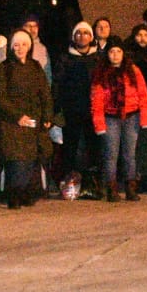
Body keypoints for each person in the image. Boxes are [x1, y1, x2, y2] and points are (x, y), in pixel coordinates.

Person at [0, 29, 53, 208]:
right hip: (12, 121)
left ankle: (27, 192)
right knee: (16, 159)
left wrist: (48, 115)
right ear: (11, 47)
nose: (20, 48)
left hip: (34, 119)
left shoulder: (35, 66)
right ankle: (14, 193)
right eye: (16, 45)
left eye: (24, 44)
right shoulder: (3, 69)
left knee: (31, 158)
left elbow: (45, 93)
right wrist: (17, 116)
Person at [91, 37, 147, 201]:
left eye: (118, 51)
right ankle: (111, 188)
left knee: (129, 154)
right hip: (110, 117)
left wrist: (145, 118)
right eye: (112, 52)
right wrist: (99, 124)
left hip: (132, 116)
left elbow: (143, 94)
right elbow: (97, 100)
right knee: (111, 154)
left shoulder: (133, 70)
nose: (115, 55)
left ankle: (131, 188)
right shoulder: (101, 73)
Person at [54, 22, 99, 183]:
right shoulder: (65, 57)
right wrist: (57, 108)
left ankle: (92, 183)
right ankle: (69, 180)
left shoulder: (98, 58)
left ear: (91, 37)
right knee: (70, 147)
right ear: (73, 37)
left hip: (93, 110)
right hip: (71, 110)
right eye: (78, 33)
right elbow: (58, 84)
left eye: (86, 33)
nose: (82, 36)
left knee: (93, 147)